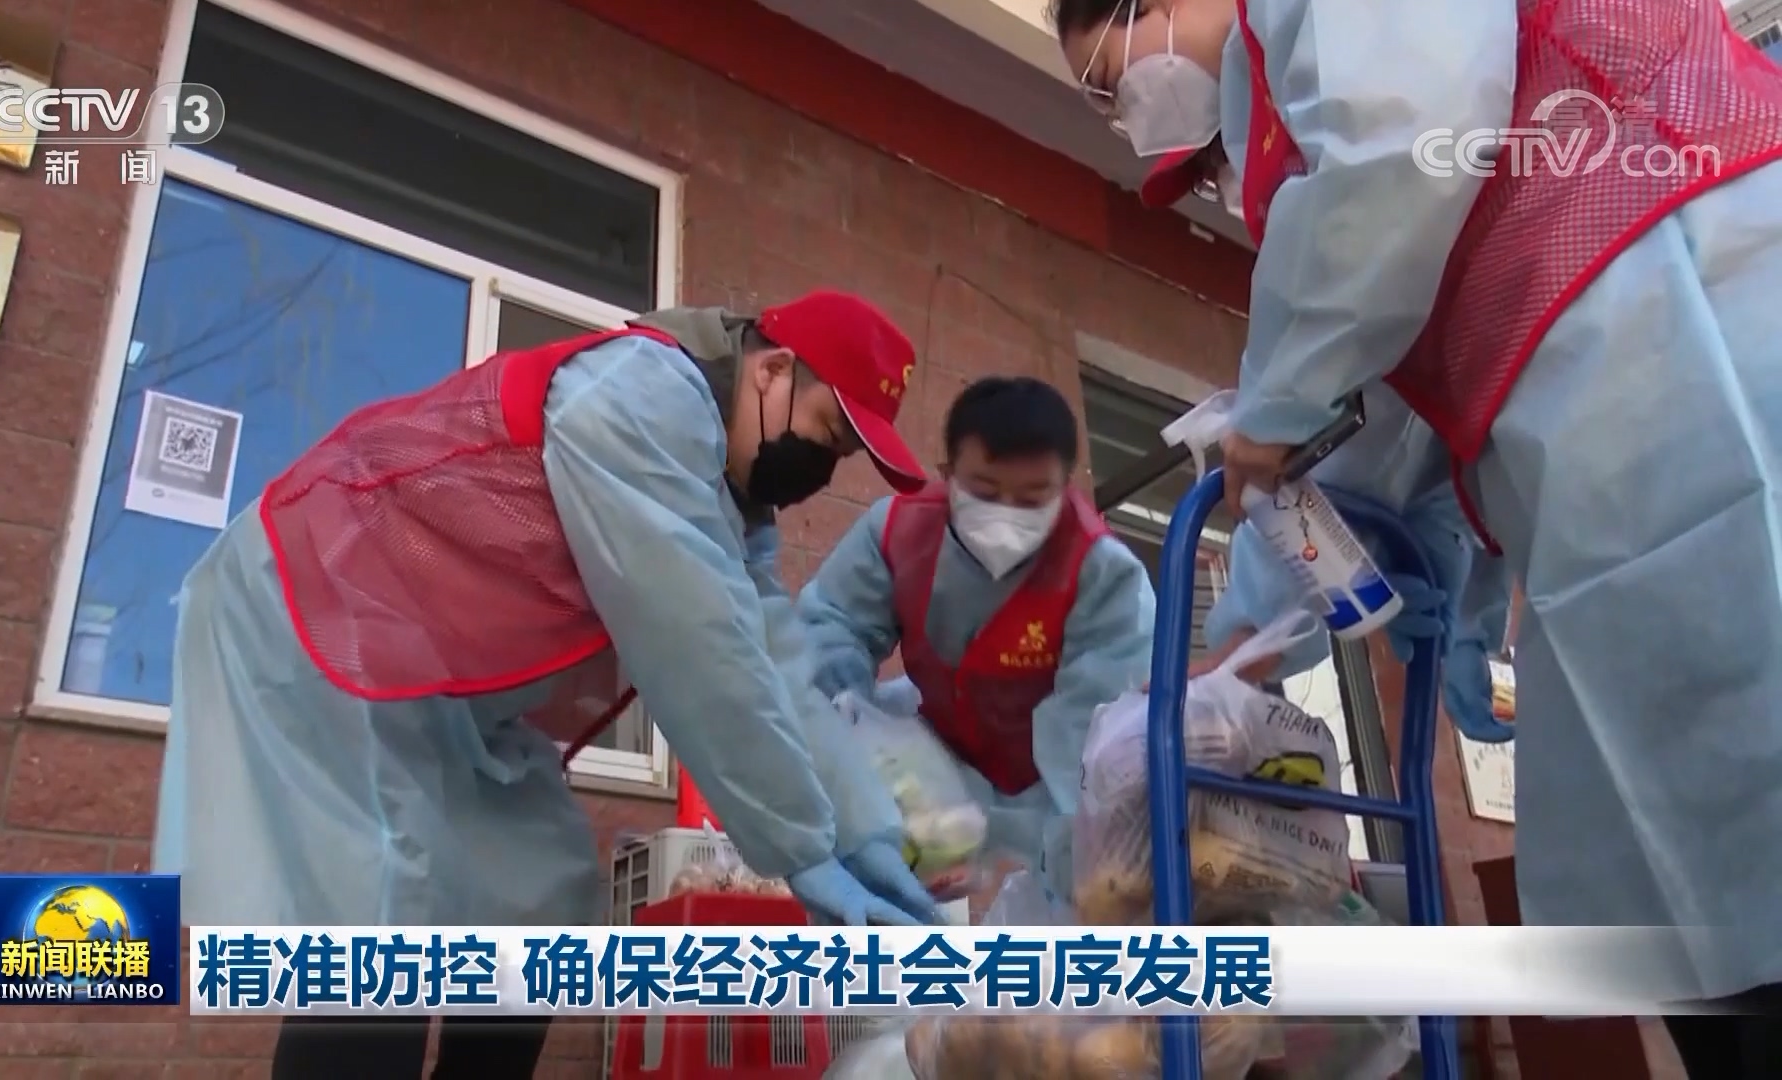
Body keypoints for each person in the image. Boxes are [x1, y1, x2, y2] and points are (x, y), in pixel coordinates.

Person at [1052, 0, 1782, 1072]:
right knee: (1710, 893)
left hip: (1706, 334)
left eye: (1108, 81)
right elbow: (1378, 429)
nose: (1126, 116)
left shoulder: (1343, 75)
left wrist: (1277, 400)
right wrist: (1251, 635)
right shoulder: (1331, 174)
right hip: (1632, 443)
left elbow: (1401, 145)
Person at [151, 290, 946, 1080]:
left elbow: (782, 673)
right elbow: (703, 652)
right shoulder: (641, 394)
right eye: (828, 432)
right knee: (384, 916)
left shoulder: (734, 510)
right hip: (325, 604)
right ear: (772, 371)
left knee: (536, 892)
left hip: (439, 680)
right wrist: (802, 849)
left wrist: (869, 838)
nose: (822, 468)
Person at [797, 376, 1154, 903]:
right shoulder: (898, 532)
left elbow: (1095, 742)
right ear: (948, 477)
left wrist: (1043, 851)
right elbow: (830, 628)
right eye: (985, 493)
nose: (1006, 515)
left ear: (1066, 490)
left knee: (1075, 890)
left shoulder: (1102, 573)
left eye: (1032, 499)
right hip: (936, 748)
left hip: (1041, 780)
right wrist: (848, 743)